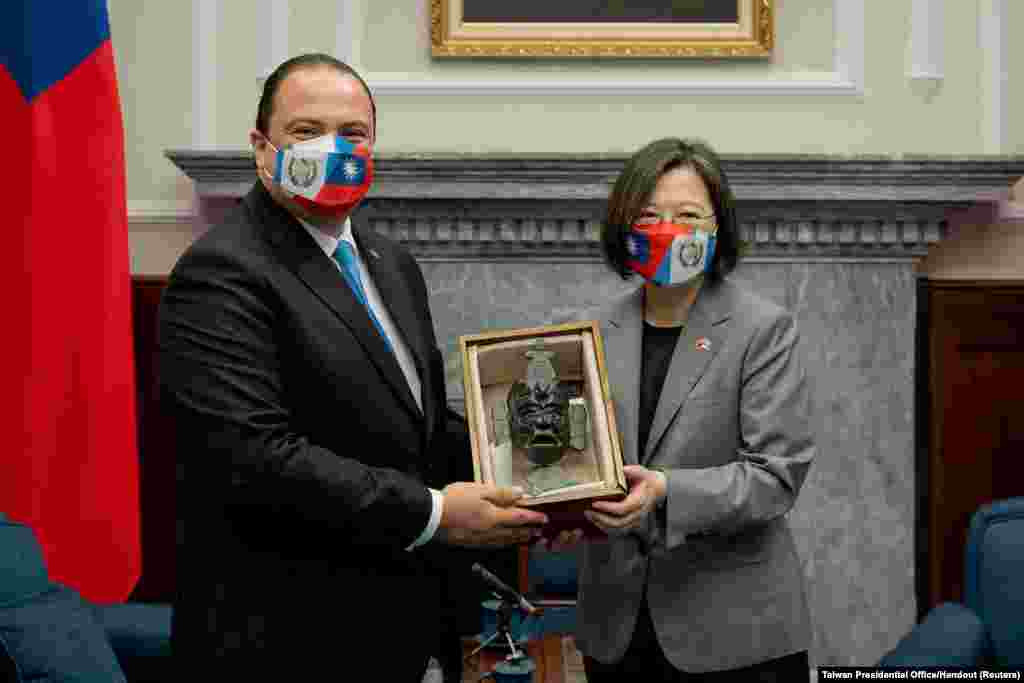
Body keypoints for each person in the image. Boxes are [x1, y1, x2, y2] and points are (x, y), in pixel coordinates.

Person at [158, 53, 547, 682]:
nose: (334, 149)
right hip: (286, 640)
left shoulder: (389, 262)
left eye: (354, 134)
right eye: (307, 132)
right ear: (262, 149)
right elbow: (257, 458)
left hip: (403, 625)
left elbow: (417, 428)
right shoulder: (221, 273)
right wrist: (438, 513)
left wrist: (540, 482)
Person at [542, 138, 815, 681]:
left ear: (719, 228)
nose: (668, 230)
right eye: (649, 215)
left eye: (688, 215)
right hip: (615, 628)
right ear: (624, 226)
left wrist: (665, 491)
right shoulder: (582, 331)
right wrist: (559, 504)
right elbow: (567, 459)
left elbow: (775, 478)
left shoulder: (764, 330)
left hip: (735, 634)